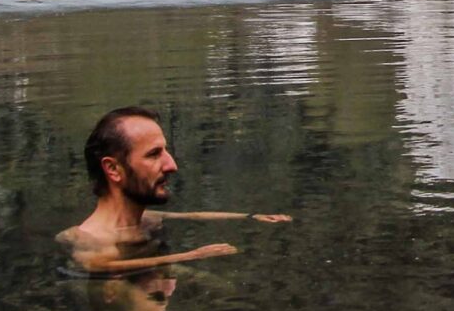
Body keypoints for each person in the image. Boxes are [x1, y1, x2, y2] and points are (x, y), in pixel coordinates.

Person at [57, 106, 290, 274]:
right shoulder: (88, 239)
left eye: (165, 152)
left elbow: (193, 217)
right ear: (113, 169)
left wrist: (251, 217)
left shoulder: (146, 219)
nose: (172, 165)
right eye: (153, 154)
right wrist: (191, 256)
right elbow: (98, 266)